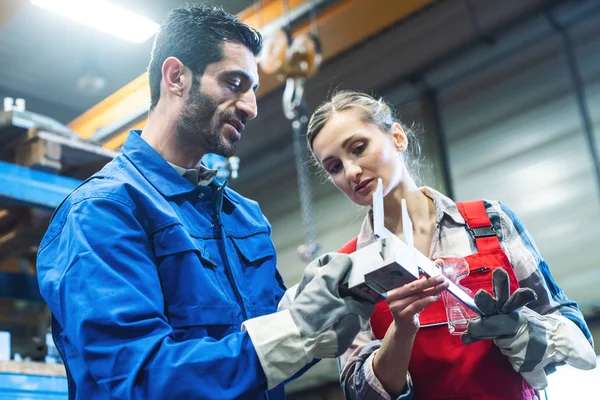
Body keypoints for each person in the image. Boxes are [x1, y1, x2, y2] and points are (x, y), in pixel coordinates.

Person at [36, 6, 374, 399]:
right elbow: (139, 378)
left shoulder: (243, 216)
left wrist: (326, 304)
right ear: (176, 77)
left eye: (251, 89)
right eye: (234, 82)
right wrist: (297, 331)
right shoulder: (103, 210)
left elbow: (268, 348)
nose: (251, 105)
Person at [306, 90, 597, 400]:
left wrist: (522, 331)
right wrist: (401, 330)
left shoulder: (490, 222)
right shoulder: (346, 269)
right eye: (334, 167)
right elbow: (359, 393)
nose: (351, 172)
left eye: (359, 148)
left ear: (397, 137)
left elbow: (575, 333)